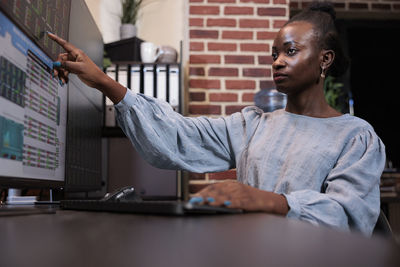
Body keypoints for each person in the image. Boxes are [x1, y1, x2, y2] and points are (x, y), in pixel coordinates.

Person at [49, 1, 385, 236]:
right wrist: (106, 83)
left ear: (325, 60)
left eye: (290, 52)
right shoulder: (253, 125)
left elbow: (349, 217)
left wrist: (266, 200)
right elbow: (178, 135)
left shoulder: (356, 136)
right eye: (274, 54)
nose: (278, 62)